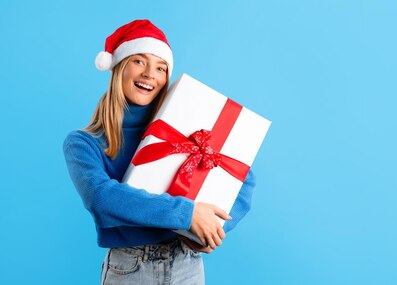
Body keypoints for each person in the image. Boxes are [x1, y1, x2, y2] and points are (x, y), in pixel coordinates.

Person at [63, 19, 255, 285]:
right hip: (130, 268)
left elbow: (240, 175)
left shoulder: (186, 127)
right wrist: (188, 214)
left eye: (161, 67)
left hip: (187, 262)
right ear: (118, 67)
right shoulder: (84, 143)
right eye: (139, 61)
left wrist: (212, 229)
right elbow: (101, 197)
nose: (150, 74)